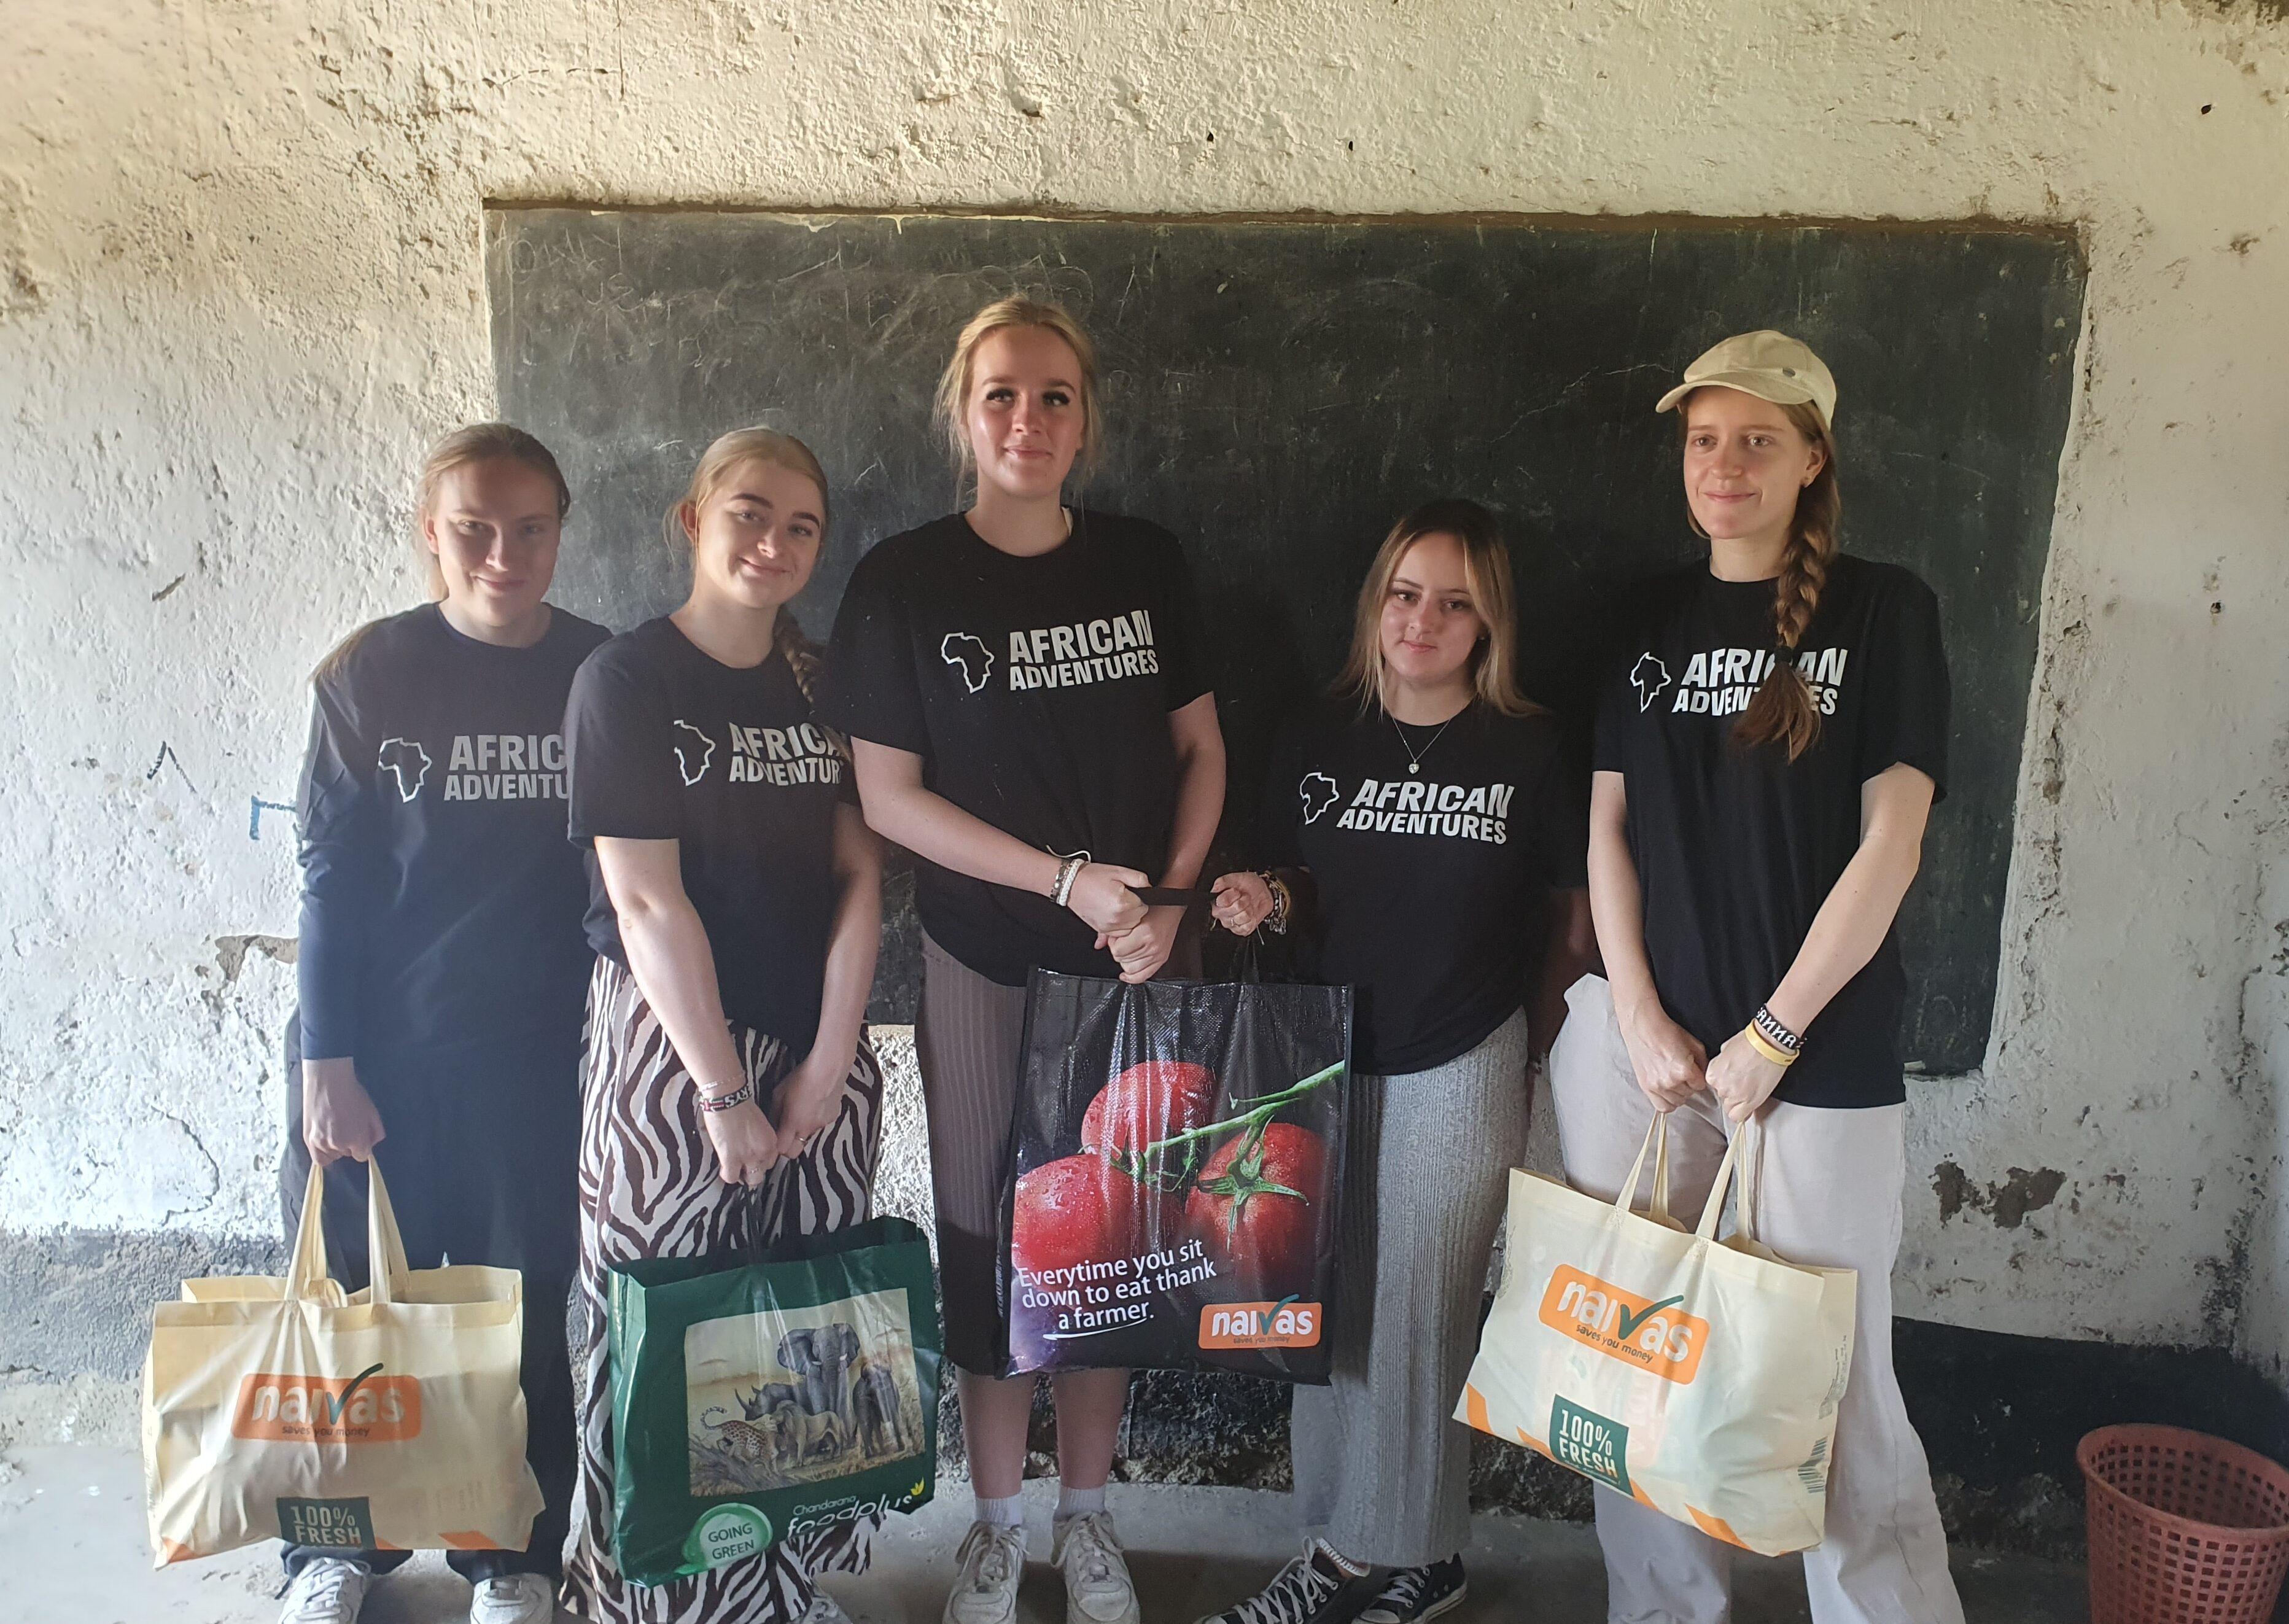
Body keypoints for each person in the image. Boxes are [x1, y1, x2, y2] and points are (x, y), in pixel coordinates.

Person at [822, 296, 1226, 1624]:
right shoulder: (902, 580)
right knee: (992, 1243)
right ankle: (993, 1529)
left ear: (1085, 418)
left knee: (1108, 1246)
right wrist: (1060, 878)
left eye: (1054, 396)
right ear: (961, 411)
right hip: (982, 961)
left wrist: (1162, 906)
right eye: (1001, 395)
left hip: (1130, 968)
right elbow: (888, 797)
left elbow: (1202, 754)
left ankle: (1089, 1520)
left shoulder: (1144, 563)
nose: (1028, 421)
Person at [1553, 330, 1962, 1624]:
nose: (1724, 464)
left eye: (1756, 440)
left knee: (1834, 1390)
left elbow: (1892, 841)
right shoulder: (1646, 617)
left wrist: (1773, 1036)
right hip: (1649, 1061)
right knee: (1640, 1365)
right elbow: (1606, 833)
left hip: (1815, 1066)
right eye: (1703, 439)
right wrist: (1631, 1014)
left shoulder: (1885, 610)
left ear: (1811, 459)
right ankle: (1664, 1611)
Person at [1200, 500, 1595, 1624]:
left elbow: (1569, 923)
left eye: (1455, 602)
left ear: (1490, 625)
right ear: (1375, 603)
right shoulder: (1314, 735)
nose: (1423, 620)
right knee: (1322, 1304)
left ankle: (1397, 1558)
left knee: (1419, 1310)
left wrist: (1533, 1063)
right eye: (1406, 593)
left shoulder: (1531, 748)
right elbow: (1291, 884)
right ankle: (1351, 1548)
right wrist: (1259, 897)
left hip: (1464, 1057)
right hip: (1321, 1060)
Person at [280, 424, 608, 1624]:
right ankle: (333, 1555)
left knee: (520, 1315)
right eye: (474, 527)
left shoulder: (602, 674)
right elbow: (328, 884)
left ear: (560, 533)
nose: (504, 553)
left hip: (534, 1061)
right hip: (375, 1057)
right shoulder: (369, 674)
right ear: (431, 534)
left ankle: (509, 1557)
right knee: (352, 1313)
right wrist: (328, 1063)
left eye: (531, 528)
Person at [559, 429, 887, 1624]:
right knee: (661, 1335)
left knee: (802, 1337)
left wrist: (831, 1061)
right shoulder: (627, 681)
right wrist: (722, 1092)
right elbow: (646, 900)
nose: (775, 544)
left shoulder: (823, 688)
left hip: (814, 1053)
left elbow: (863, 881)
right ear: (692, 522)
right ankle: (658, 1601)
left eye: (802, 527)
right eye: (750, 514)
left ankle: (780, 1587)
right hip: (672, 1058)